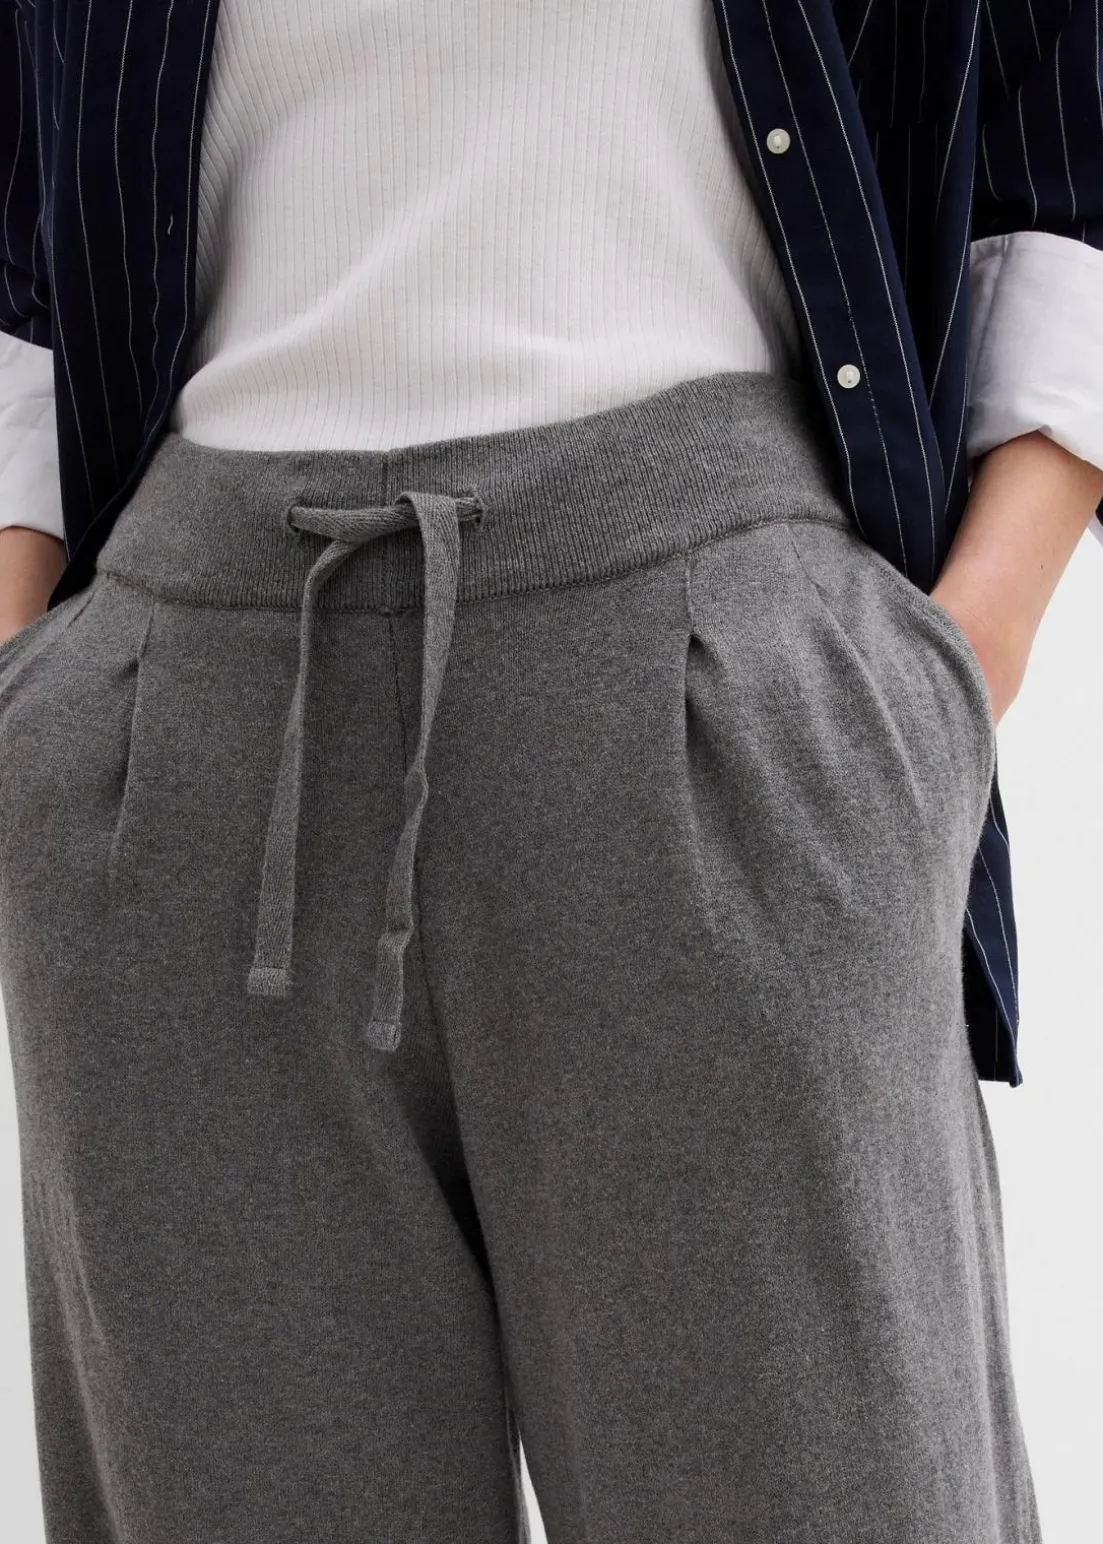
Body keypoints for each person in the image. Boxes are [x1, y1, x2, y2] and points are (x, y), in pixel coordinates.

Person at [1, 2, 1100, 1540]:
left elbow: (1065, 113)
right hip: (185, 728)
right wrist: (34, 683)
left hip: (710, 689)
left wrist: (963, 646)